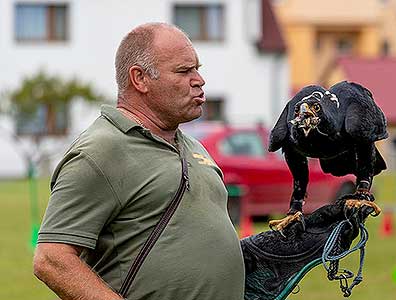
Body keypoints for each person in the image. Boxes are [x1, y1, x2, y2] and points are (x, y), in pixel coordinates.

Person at [33, 22, 245, 300]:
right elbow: (51, 259)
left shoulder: (195, 148)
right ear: (140, 79)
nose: (199, 80)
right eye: (184, 71)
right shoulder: (100, 151)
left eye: (197, 68)